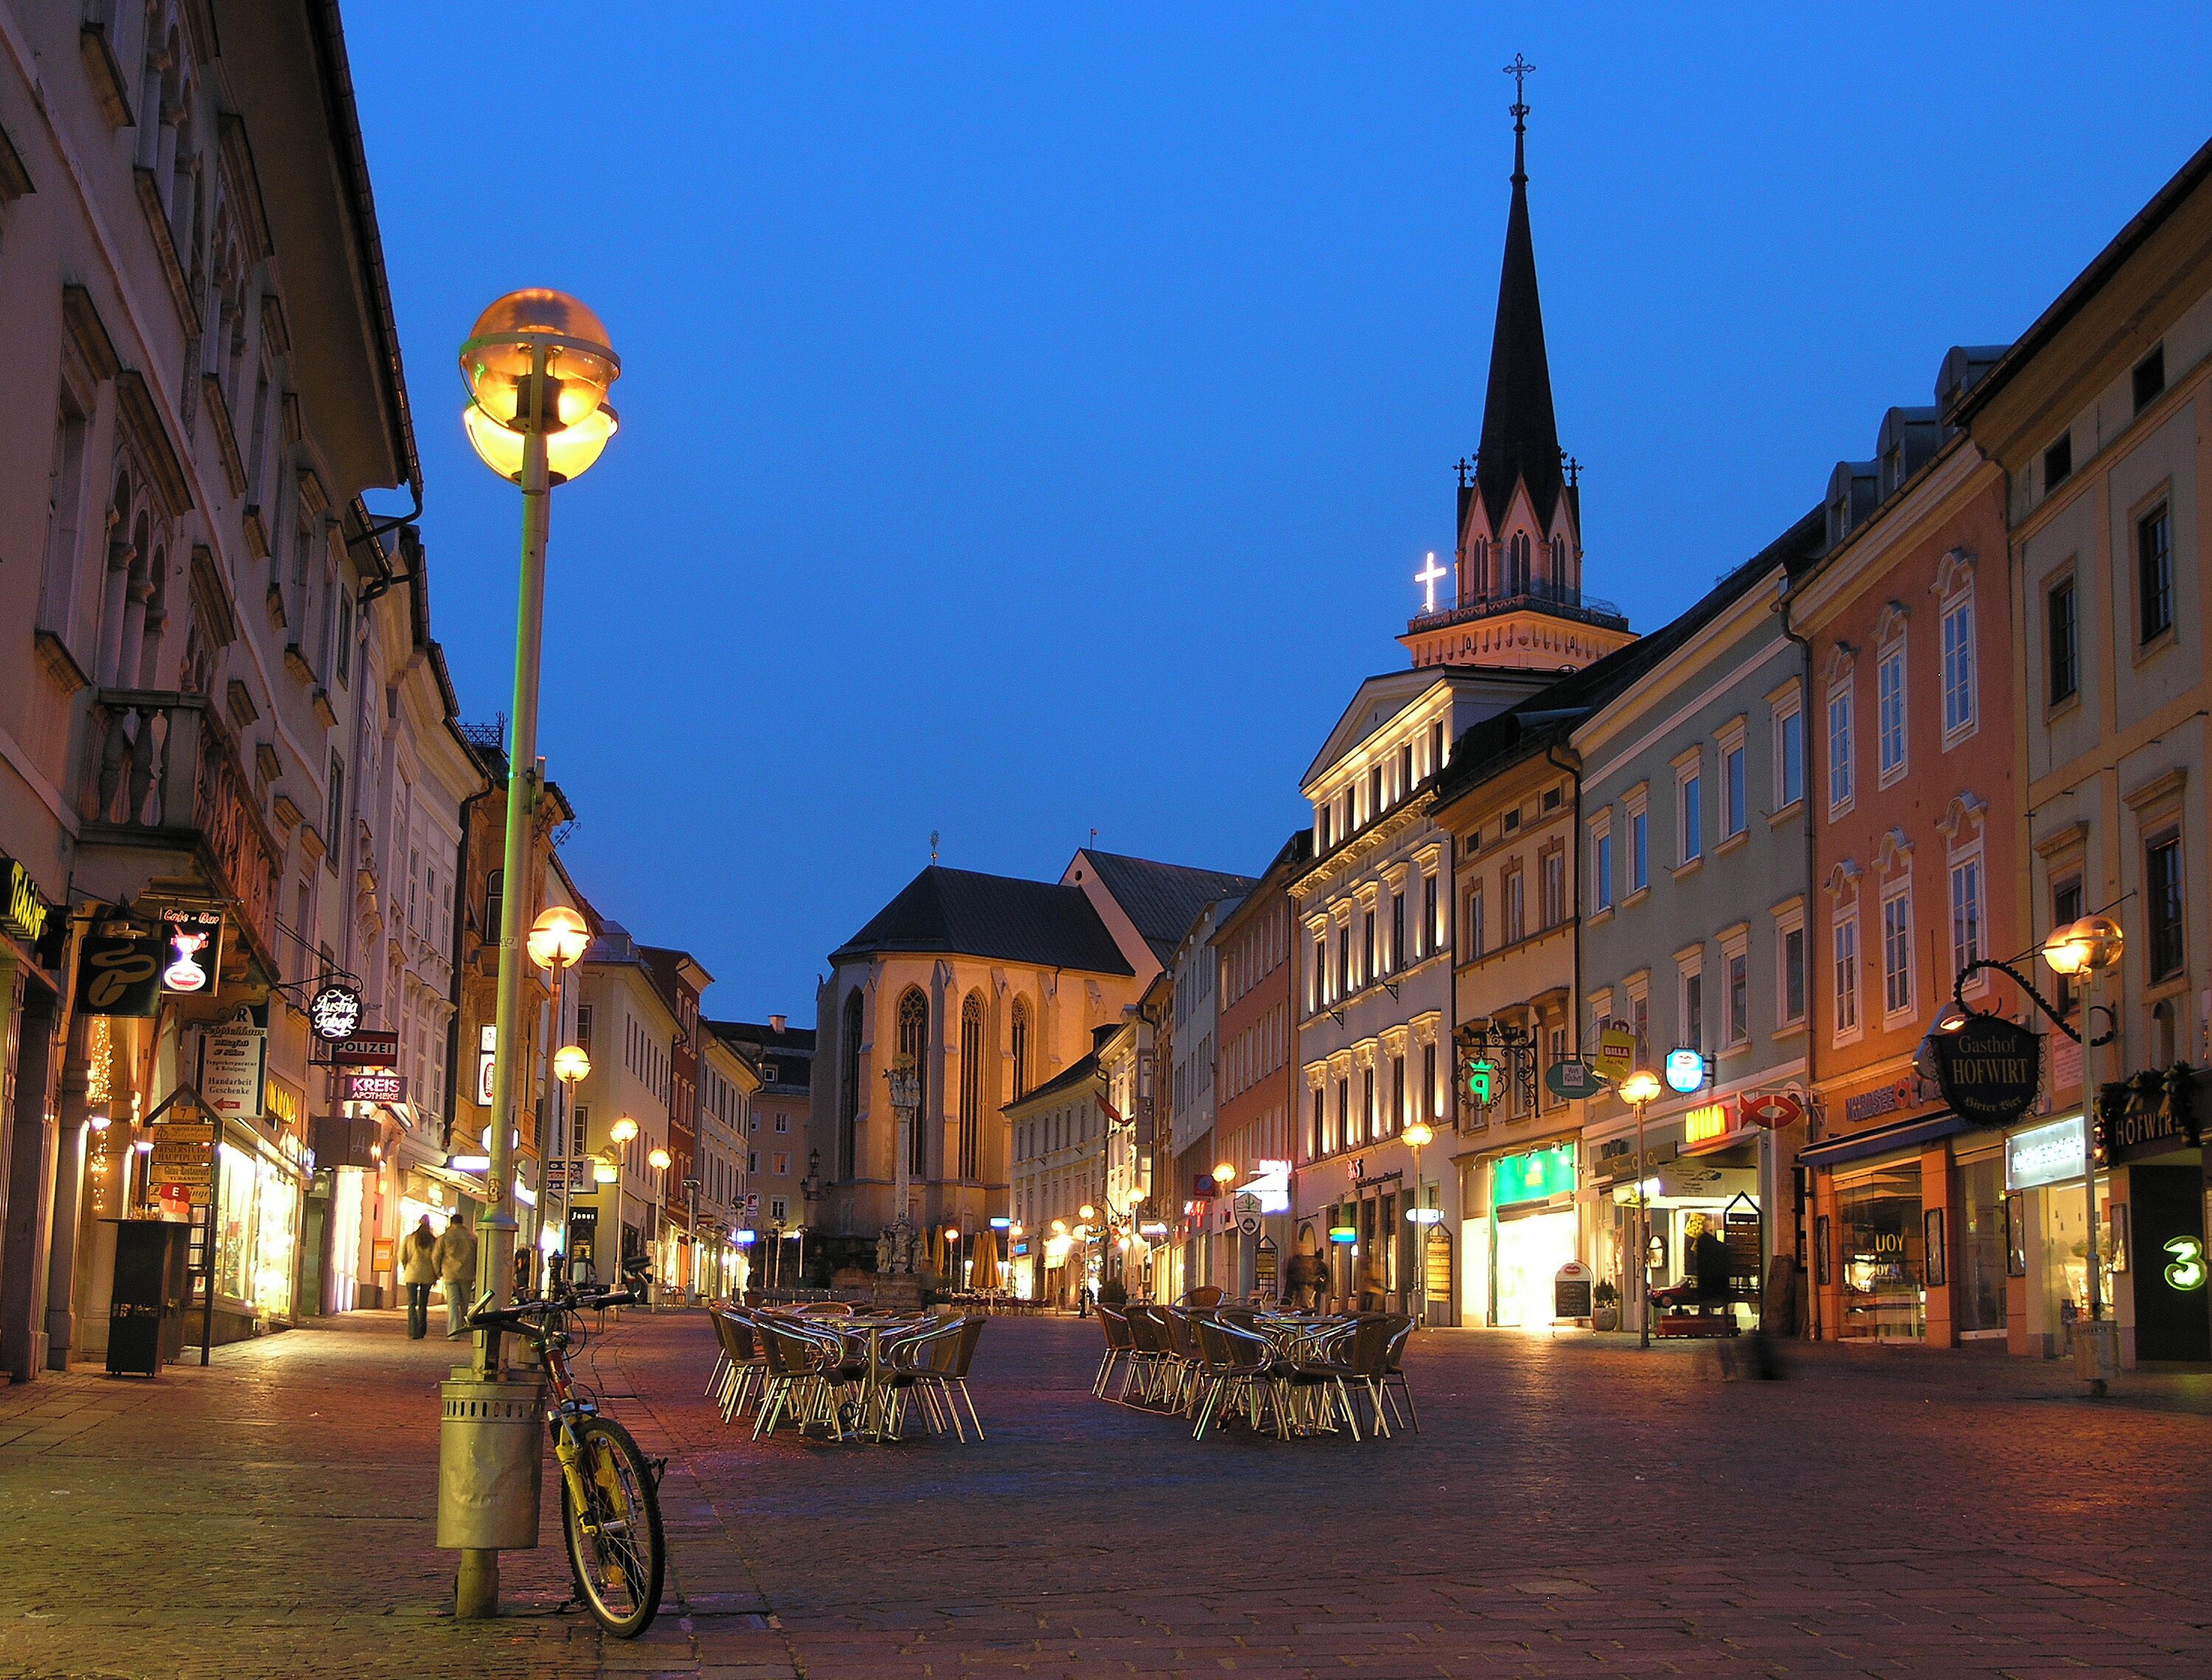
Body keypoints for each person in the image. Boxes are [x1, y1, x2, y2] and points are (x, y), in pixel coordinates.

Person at [434, 1213, 479, 1340]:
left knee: (453, 1303)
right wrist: (476, 1272)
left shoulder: (445, 1237)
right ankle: (463, 1327)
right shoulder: (472, 1237)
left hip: (450, 1273)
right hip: (467, 1274)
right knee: (464, 1303)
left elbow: (436, 1256)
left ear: (451, 1222)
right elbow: (478, 1256)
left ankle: (453, 1332)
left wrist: (438, 1272)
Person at [399, 1214, 438, 1339]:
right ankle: (422, 1330)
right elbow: (435, 1259)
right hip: (427, 1275)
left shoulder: (409, 1239)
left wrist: (406, 1268)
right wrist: (436, 1275)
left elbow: (402, 1256)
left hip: (412, 1273)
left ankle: (413, 1331)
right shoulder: (433, 1241)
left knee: (412, 1303)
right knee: (423, 1304)